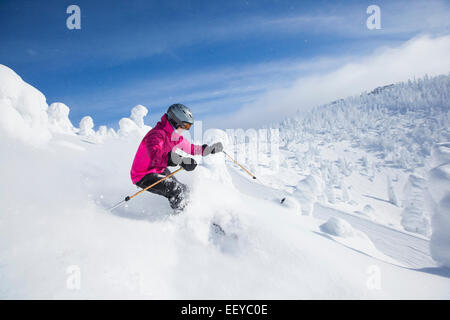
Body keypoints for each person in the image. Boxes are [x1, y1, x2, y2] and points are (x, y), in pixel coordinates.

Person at [130, 103, 223, 211]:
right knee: (176, 189)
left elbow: (191, 148)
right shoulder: (157, 134)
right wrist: (180, 160)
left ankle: (194, 212)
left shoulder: (174, 137)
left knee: (185, 189)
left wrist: (209, 150)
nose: (186, 129)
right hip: (143, 175)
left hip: (158, 170)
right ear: (176, 120)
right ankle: (183, 218)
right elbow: (155, 156)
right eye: (185, 125)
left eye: (189, 127)